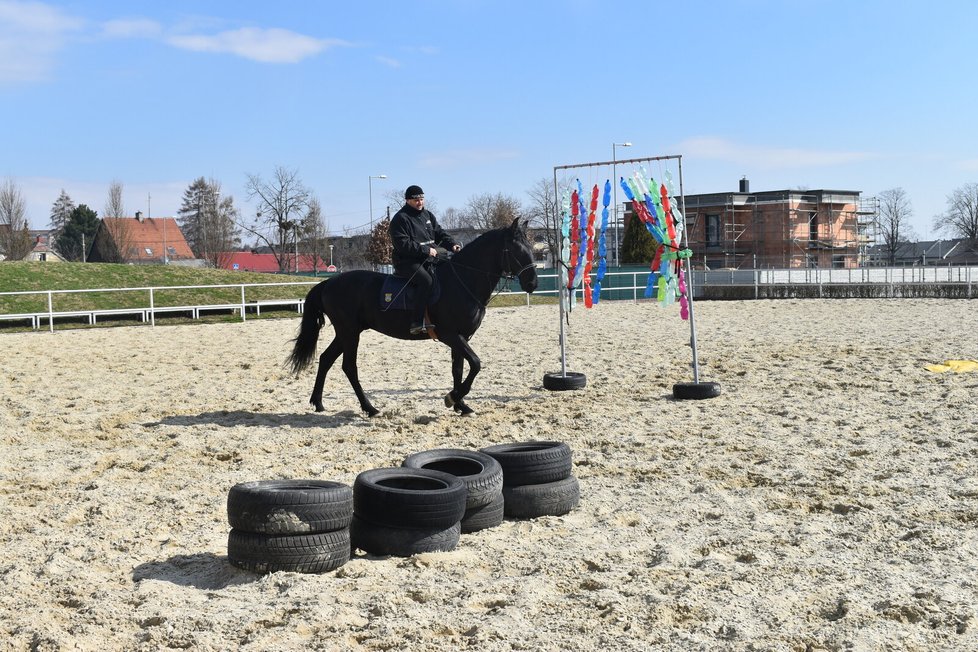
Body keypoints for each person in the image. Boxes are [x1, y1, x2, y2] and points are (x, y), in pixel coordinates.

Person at [390, 185, 461, 335]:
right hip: (407, 262)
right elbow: (403, 244)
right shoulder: (400, 219)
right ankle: (417, 321)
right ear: (408, 200)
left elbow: (440, 233)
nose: (420, 202)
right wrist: (426, 250)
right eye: (416, 200)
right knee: (426, 281)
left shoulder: (427, 215)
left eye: (422, 199)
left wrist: (452, 244)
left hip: (430, 258)